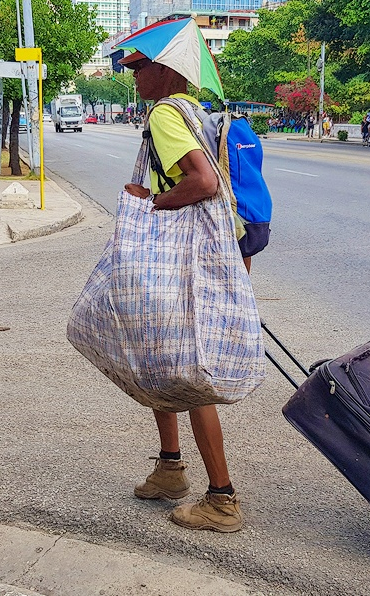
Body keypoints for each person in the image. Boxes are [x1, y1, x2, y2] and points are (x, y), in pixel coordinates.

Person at [118, 48, 246, 533]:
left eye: (139, 67)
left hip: (181, 259)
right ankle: (170, 469)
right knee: (161, 359)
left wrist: (154, 202)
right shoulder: (194, 111)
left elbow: (204, 182)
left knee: (187, 370)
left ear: (167, 70)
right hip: (204, 251)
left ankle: (222, 499)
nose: (132, 77)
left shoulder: (167, 114)